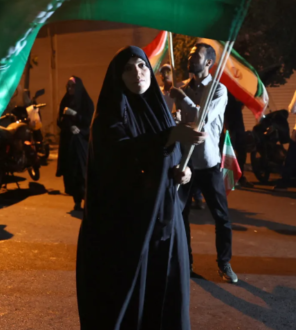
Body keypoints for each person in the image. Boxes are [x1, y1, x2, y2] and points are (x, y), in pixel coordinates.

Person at [77, 46, 200, 330]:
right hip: (129, 232)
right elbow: (119, 157)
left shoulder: (161, 113)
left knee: (166, 300)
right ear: (117, 76)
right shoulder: (108, 117)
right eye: (128, 68)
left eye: (142, 65)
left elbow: (174, 160)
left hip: (165, 225)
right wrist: (167, 137)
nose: (137, 73)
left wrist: (184, 174)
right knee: (132, 304)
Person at [170, 43, 238, 283]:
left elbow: (203, 118)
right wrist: (177, 116)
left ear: (208, 62)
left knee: (221, 217)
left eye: (195, 55)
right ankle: (185, 262)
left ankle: (224, 263)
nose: (190, 57)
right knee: (180, 215)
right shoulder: (180, 87)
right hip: (185, 164)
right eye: (189, 54)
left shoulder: (218, 90)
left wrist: (183, 100)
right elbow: (177, 121)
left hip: (209, 164)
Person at [56, 76, 94, 211]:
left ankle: (89, 201)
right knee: (71, 173)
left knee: (83, 171)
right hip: (69, 143)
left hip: (82, 141)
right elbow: (60, 121)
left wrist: (74, 114)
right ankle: (77, 201)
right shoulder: (65, 100)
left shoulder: (86, 102)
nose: (70, 88)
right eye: (68, 86)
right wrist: (69, 126)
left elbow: (88, 120)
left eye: (72, 86)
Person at [224, 91, 252, 188]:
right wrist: (225, 127)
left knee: (242, 152)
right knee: (229, 154)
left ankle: (240, 177)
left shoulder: (237, 92)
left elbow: (241, 106)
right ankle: (229, 179)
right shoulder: (225, 92)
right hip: (229, 127)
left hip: (239, 126)